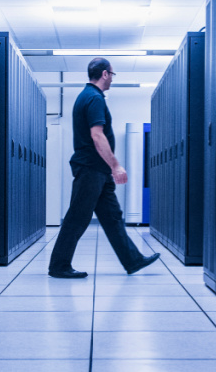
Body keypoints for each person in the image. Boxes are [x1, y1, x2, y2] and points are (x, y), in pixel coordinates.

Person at [48, 58, 161, 278]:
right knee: (77, 218)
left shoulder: (88, 96)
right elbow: (97, 135)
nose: (112, 79)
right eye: (112, 74)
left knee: (112, 217)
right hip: (91, 168)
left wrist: (108, 168)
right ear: (105, 74)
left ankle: (133, 260)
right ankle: (59, 266)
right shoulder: (94, 98)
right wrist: (116, 165)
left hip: (98, 170)